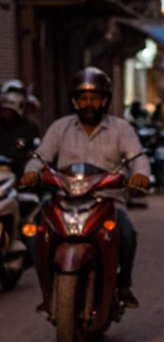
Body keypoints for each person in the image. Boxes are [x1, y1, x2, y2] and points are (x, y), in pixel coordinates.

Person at [20, 68, 150, 307]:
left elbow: (137, 157)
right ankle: (49, 291)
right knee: (35, 235)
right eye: (83, 98)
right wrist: (31, 171)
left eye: (94, 98)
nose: (89, 103)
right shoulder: (60, 128)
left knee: (128, 234)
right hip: (64, 199)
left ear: (105, 100)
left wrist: (141, 174)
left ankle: (123, 286)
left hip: (107, 200)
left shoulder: (121, 129)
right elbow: (40, 156)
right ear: (75, 101)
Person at [0, 87, 40, 179]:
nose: (6, 114)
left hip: (20, 173)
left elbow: (36, 151)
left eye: (10, 111)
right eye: (4, 110)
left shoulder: (28, 128)